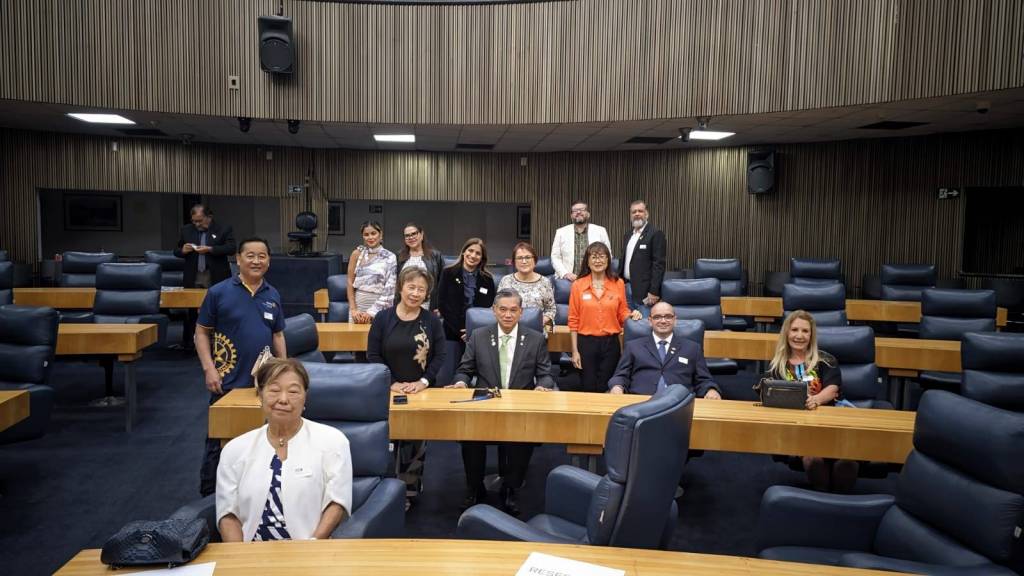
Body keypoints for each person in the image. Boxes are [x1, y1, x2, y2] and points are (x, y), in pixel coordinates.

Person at [445, 288, 556, 515]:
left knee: (522, 439)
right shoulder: (479, 336)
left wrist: (542, 386)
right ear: (494, 310)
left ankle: (511, 488)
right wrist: (460, 383)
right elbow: (464, 370)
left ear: (521, 312)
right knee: (470, 437)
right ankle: (474, 487)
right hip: (484, 403)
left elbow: (545, 374)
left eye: (513, 310)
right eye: (503, 309)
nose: (508, 315)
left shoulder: (535, 339)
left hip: (520, 404)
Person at [216, 358, 352, 541]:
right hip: (250, 551)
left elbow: (337, 502)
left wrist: (312, 547)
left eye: (293, 391)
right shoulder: (234, 450)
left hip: (311, 548)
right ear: (260, 394)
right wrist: (239, 556)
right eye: (274, 390)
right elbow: (228, 513)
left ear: (305, 397)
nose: (283, 399)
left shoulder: (333, 441)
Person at [195, 236, 288, 497]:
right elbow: (201, 333)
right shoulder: (218, 292)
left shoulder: (272, 294)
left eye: (262, 256)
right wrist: (209, 369)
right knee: (219, 441)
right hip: (226, 381)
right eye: (250, 255)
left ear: (269, 261)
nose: (256, 261)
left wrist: (284, 371)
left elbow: (278, 335)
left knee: (260, 441)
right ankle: (210, 498)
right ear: (238, 259)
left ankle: (253, 494)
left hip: (262, 385)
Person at [367, 267, 446, 506]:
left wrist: (423, 382)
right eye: (411, 287)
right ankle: (379, 492)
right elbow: (372, 355)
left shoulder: (431, 321)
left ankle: (407, 493)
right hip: (387, 390)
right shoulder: (383, 318)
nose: (415, 293)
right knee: (384, 440)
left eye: (421, 289)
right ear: (400, 287)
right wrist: (392, 383)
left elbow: (440, 356)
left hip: (420, 391)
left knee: (414, 442)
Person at [765, 310, 856, 492]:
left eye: (805, 331)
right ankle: (822, 496)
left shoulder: (825, 360)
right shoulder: (777, 365)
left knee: (847, 459)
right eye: (794, 330)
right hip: (798, 425)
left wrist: (816, 399)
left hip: (830, 420)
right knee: (812, 458)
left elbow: (833, 388)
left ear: (811, 335)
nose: (799, 336)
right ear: (786, 333)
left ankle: (841, 498)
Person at [608, 301, 722, 399]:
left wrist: (711, 390)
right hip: (640, 403)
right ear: (650, 321)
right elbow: (620, 376)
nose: (663, 321)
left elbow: (704, 379)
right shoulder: (633, 346)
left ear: (675, 320)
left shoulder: (692, 348)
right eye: (657, 317)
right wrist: (617, 387)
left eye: (668, 316)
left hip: (678, 404)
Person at [569, 242, 642, 393]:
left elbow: (622, 312)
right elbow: (573, 320)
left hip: (611, 343)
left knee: (607, 386)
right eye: (594, 257)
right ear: (587, 261)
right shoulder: (578, 285)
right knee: (588, 386)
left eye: (602, 256)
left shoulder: (618, 283)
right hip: (586, 343)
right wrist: (575, 351)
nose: (598, 261)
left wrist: (632, 315)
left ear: (608, 260)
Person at [174, 204, 236, 349]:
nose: (197, 224)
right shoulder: (186, 230)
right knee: (192, 310)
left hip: (215, 275)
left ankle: (219, 342)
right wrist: (182, 250)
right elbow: (176, 250)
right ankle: (190, 343)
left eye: (200, 221)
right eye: (194, 221)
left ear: (209, 217)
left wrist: (210, 249)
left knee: (217, 308)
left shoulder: (223, 228)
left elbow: (231, 248)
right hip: (193, 275)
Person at [438, 237, 496, 345]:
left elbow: (488, 308)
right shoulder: (448, 273)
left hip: (479, 333)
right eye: (470, 250)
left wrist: (473, 329)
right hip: (452, 332)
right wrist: (461, 330)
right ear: (464, 252)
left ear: (482, 258)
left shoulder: (487, 279)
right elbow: (442, 305)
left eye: (478, 253)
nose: (473, 255)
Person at [619, 200, 666, 316]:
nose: (637, 214)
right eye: (634, 212)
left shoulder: (655, 233)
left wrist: (654, 291)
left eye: (640, 211)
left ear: (646, 214)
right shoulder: (628, 235)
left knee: (643, 323)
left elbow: (658, 264)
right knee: (628, 322)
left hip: (645, 293)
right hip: (626, 288)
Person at [497, 242, 556, 333]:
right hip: (509, 329)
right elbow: (497, 307)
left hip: (536, 330)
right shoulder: (506, 280)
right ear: (514, 262)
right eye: (520, 258)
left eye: (528, 257)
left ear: (535, 260)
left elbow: (551, 309)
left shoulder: (545, 282)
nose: (524, 261)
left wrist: (541, 321)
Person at [346, 221, 397, 324]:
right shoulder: (357, 254)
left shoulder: (390, 257)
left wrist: (372, 312)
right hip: (358, 307)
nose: (370, 237)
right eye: (366, 234)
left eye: (373, 233)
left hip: (381, 306)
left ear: (380, 234)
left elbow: (390, 288)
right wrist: (353, 309)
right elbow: (349, 282)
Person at [549, 201, 611, 281]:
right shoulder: (561, 232)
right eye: (575, 211)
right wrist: (566, 274)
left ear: (588, 214)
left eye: (582, 209)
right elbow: (555, 257)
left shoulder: (601, 231)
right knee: (565, 287)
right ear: (571, 216)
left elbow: (608, 254)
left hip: (595, 276)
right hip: (568, 277)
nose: (578, 212)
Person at [394, 222, 445, 311]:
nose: (411, 237)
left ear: (421, 235)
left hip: (427, 305)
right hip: (403, 304)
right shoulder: (399, 256)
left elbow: (443, 283)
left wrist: (441, 306)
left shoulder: (435, 256)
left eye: (414, 234)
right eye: (407, 235)